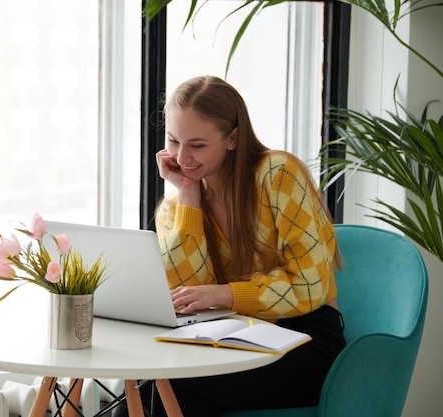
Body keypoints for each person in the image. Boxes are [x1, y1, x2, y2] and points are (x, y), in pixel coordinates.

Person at [113, 75, 346, 417]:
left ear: (233, 138)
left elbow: (309, 284)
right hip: (228, 338)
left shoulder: (278, 175)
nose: (180, 157)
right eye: (173, 141)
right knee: (152, 400)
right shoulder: (177, 207)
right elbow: (185, 293)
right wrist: (189, 194)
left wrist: (225, 294)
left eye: (197, 145)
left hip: (306, 341)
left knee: (159, 396)